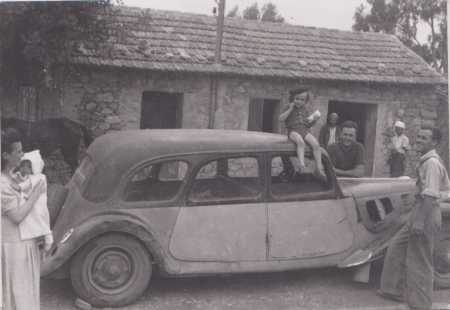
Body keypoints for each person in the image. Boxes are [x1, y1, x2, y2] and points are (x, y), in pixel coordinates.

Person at [378, 127, 450, 310]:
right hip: (419, 210)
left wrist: (419, 221)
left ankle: (421, 305)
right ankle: (392, 289)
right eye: (418, 136)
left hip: (426, 213)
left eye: (424, 138)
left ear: (434, 142)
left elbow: (431, 195)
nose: (419, 140)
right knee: (396, 246)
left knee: (420, 260)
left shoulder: (432, 163)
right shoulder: (425, 160)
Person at [1, 128, 46, 310]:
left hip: (22, 243)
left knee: (24, 294)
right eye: (18, 151)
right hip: (13, 247)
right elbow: (17, 217)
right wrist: (36, 192)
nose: (22, 155)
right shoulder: (2, 184)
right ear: (5, 155)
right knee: (17, 296)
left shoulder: (10, 177)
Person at [279, 89, 325, 178]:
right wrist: (290, 109)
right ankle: (302, 164)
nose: (299, 101)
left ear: (305, 101)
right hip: (293, 131)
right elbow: (280, 119)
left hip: (304, 130)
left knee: (316, 144)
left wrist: (314, 119)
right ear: (292, 98)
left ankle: (319, 167)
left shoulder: (305, 110)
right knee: (300, 142)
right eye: (297, 99)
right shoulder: (288, 107)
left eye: (302, 100)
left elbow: (307, 124)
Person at [13, 151, 53, 252]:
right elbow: (23, 180)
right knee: (36, 221)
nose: (24, 169)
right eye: (23, 166)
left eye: (27, 167)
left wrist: (14, 186)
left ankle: (48, 240)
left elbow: (24, 186)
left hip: (38, 205)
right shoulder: (32, 176)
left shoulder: (39, 177)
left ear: (34, 167)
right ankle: (39, 238)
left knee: (40, 221)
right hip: (33, 203)